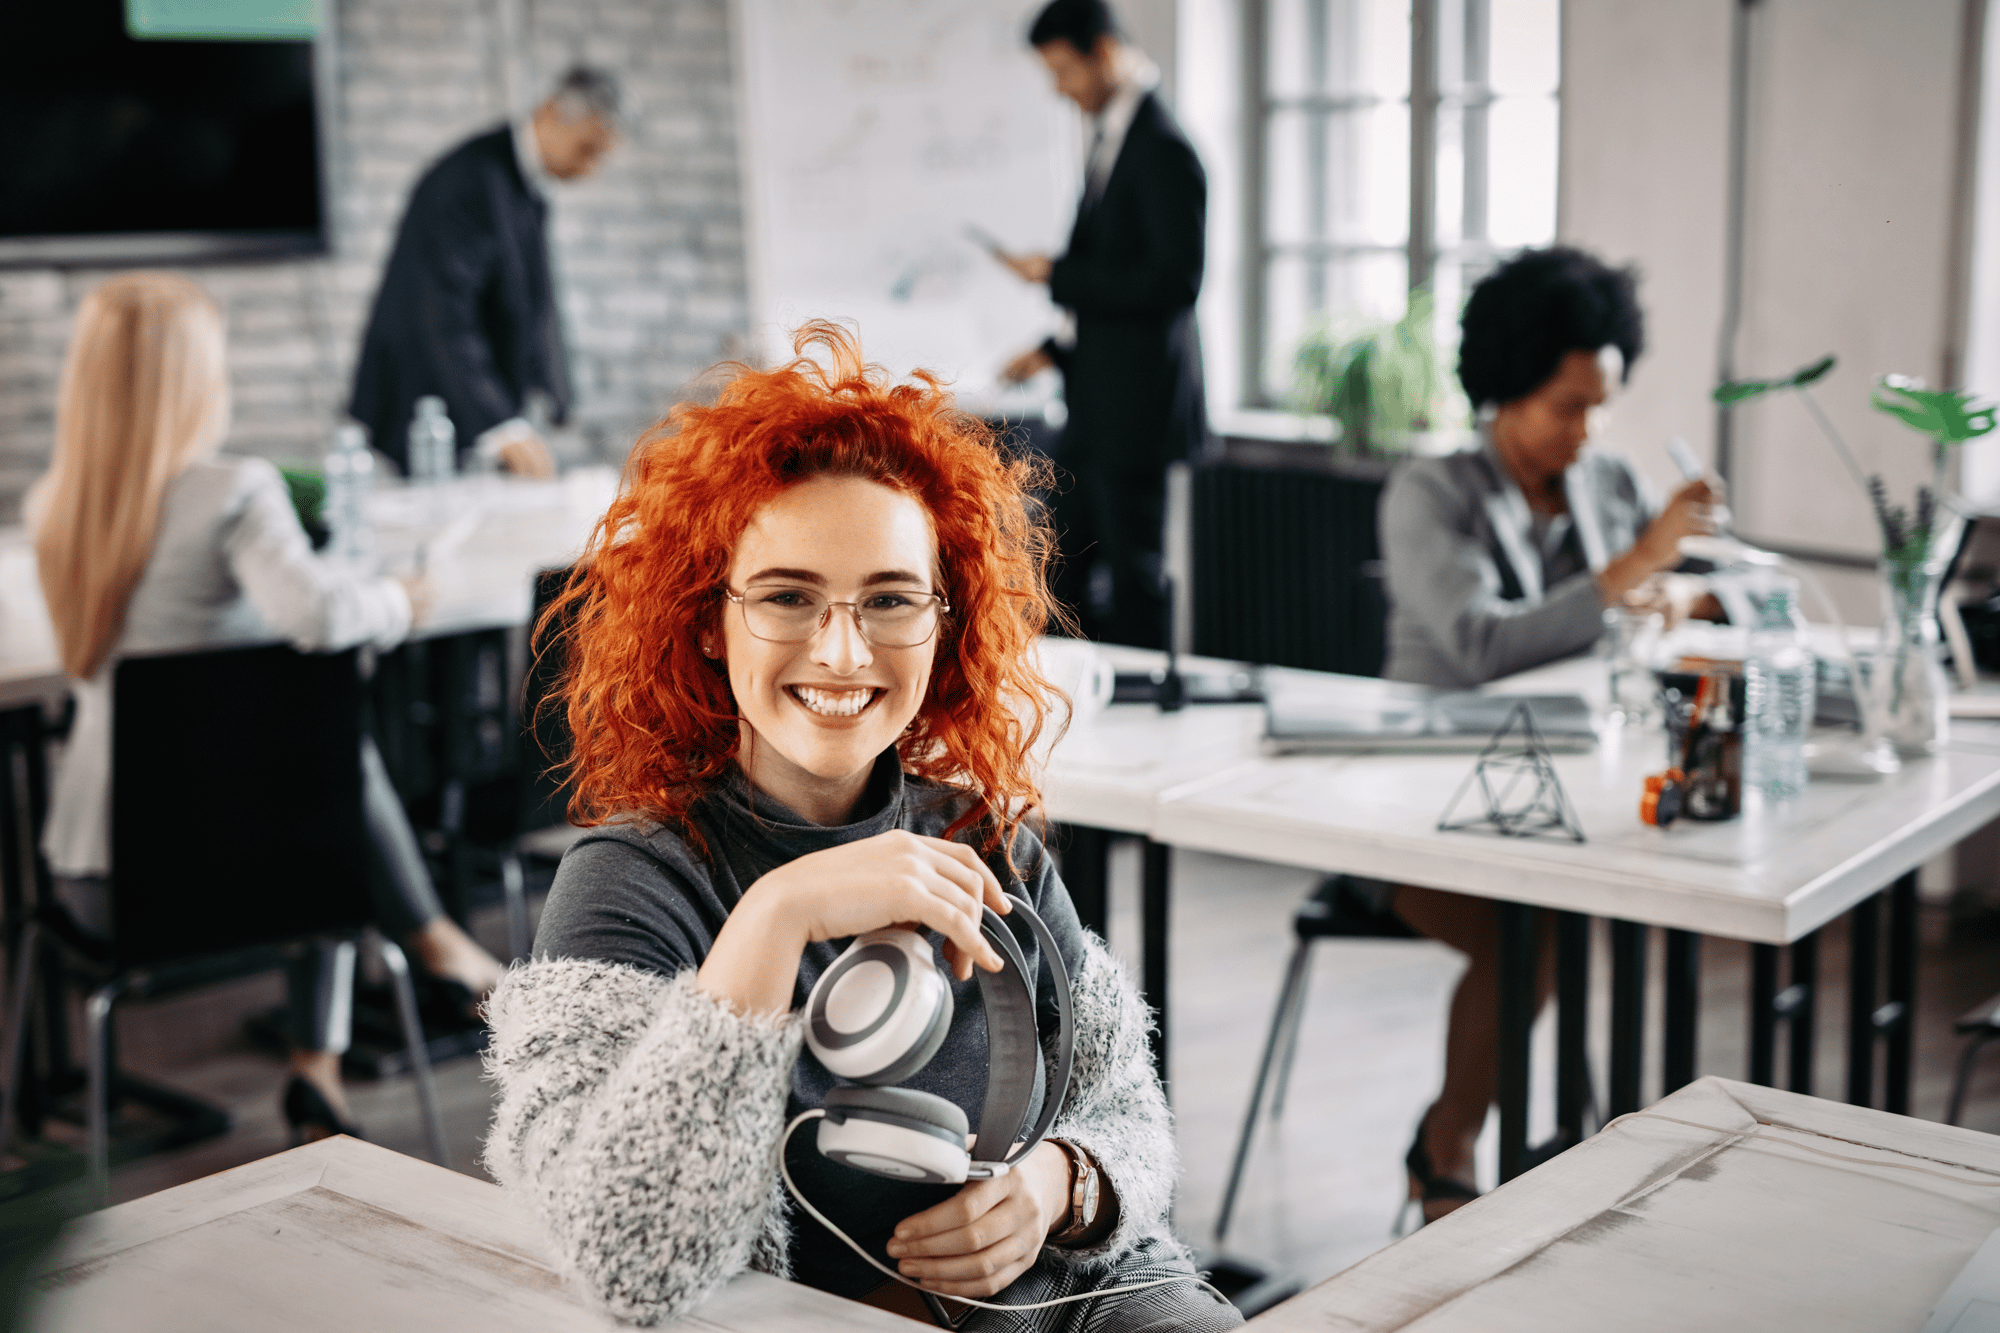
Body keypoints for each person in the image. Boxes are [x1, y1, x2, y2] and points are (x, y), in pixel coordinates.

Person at [482, 323, 1240, 1332]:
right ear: (710, 621)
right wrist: (775, 915)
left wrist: (1059, 1184)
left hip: (1071, 1304)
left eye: (889, 599)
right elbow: (630, 1260)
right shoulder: (630, 880)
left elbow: (1125, 1110)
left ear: (944, 619)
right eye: (788, 596)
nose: (842, 651)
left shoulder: (989, 839)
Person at [30, 273, 507, 1142]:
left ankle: (334, 1054)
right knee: (320, 759)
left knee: (311, 764)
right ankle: (424, 956)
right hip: (250, 875)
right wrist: (404, 598)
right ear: (191, 381)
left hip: (103, 883)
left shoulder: (57, 505)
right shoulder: (232, 492)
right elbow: (320, 615)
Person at [1374, 246, 1720, 1223]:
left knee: (1573, 907)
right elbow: (1483, 643)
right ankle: (1452, 1145)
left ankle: (1562, 1152)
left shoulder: (1601, 481)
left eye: (1599, 403)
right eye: (1567, 405)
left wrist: (1673, 590)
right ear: (1503, 390)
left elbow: (1629, 611)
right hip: (1415, 802)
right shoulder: (1428, 494)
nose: (1587, 428)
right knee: (1536, 933)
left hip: (1566, 786)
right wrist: (1630, 570)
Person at [993, 0, 1206, 650]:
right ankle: (1077, 702)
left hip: (1135, 412)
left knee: (1132, 573)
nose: (1060, 89)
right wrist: (1053, 349)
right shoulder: (1116, 137)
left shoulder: (1162, 147)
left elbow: (1174, 282)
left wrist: (1056, 275)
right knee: (1064, 564)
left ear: (1104, 53)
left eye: (1064, 70)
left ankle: (1146, 705)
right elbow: (1117, 277)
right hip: (1096, 404)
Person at [348, 66, 621, 480]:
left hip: (467, 405)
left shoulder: (523, 181)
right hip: (426, 405)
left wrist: (556, 391)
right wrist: (500, 424)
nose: (590, 171)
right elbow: (442, 313)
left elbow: (530, 295)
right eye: (586, 150)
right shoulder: (470, 180)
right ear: (551, 113)